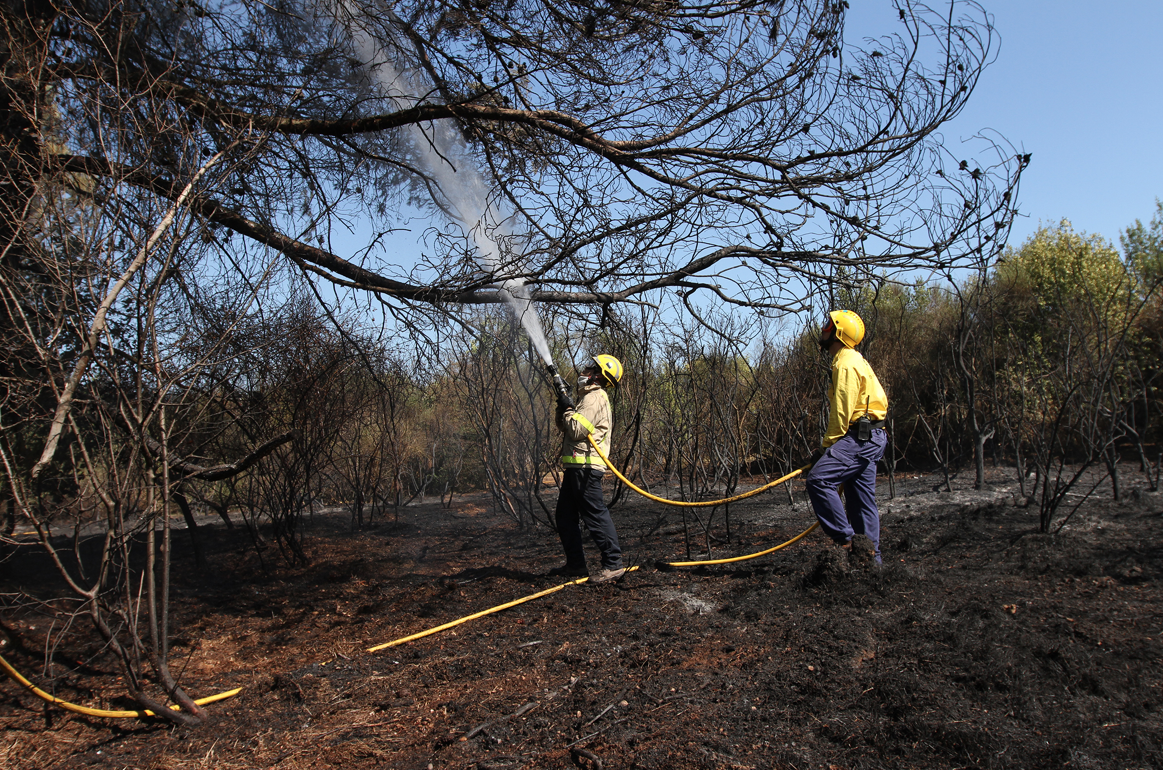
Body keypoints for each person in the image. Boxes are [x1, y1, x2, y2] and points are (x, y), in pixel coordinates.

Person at [805, 310, 889, 564]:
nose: (823, 328)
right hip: (873, 436)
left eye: (828, 325)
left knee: (819, 480)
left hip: (860, 438)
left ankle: (849, 543)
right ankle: (871, 563)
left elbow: (841, 412)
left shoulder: (845, 364)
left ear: (838, 333)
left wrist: (825, 449)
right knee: (860, 500)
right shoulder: (852, 359)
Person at [549, 354, 626, 584]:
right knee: (565, 516)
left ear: (598, 375)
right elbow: (565, 425)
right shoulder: (587, 398)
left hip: (586, 465)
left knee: (595, 515)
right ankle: (576, 565)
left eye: (591, 367)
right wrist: (563, 406)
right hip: (576, 466)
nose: (585, 368)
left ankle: (613, 564)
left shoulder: (594, 397)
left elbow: (575, 430)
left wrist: (570, 408)